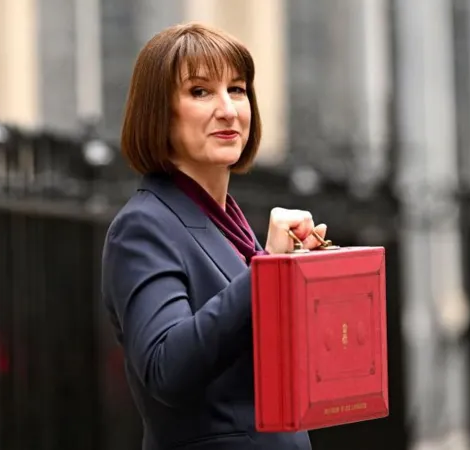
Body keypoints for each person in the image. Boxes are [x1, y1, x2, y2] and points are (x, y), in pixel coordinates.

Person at [101, 22, 328, 450]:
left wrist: (306, 281)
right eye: (200, 91)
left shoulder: (232, 225)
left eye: (237, 89)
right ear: (158, 111)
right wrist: (267, 274)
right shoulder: (142, 228)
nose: (228, 109)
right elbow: (167, 367)